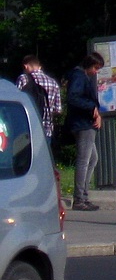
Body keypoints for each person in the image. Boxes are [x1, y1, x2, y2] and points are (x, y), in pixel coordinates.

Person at [64, 52, 105, 212]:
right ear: (89, 64)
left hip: (83, 122)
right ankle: (80, 198)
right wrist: (92, 107)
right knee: (84, 160)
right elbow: (73, 98)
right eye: (95, 67)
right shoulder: (79, 76)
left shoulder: (79, 76)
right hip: (83, 124)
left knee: (93, 159)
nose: (96, 71)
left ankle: (83, 195)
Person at [16, 55, 62, 148]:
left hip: (27, 128)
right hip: (46, 129)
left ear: (26, 66)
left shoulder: (23, 79)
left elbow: (17, 103)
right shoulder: (53, 82)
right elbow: (58, 110)